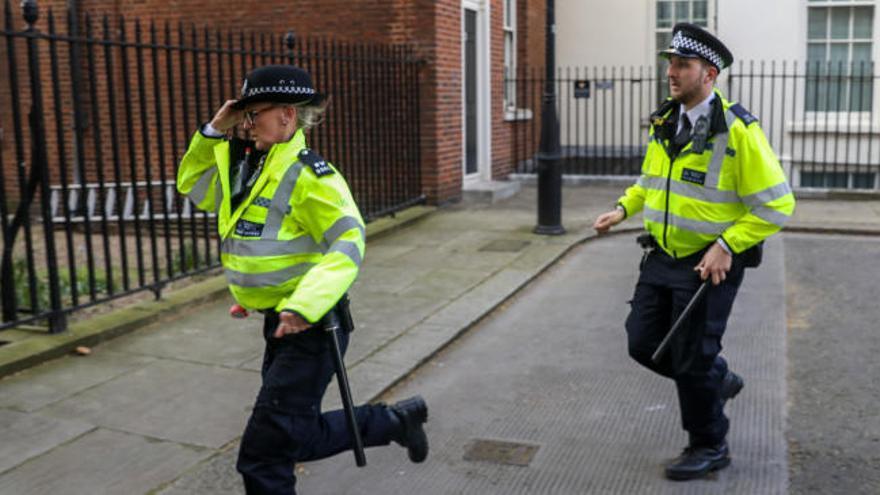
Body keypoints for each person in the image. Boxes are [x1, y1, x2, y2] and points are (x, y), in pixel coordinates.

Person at [177, 64, 429, 494]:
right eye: (245, 115)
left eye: (253, 114)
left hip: (312, 328)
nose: (247, 124)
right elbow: (194, 185)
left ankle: (389, 421)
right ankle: (391, 421)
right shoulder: (250, 170)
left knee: (262, 455)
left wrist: (302, 305)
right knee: (289, 435)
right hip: (280, 322)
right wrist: (213, 131)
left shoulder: (311, 176)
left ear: (287, 116)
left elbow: (349, 240)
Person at [592, 24, 795, 481]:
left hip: (708, 266)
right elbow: (651, 180)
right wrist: (623, 208)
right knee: (642, 342)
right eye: (670, 63)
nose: (671, 72)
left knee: (691, 357)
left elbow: (778, 203)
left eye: (682, 64)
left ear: (710, 74)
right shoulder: (665, 120)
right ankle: (715, 382)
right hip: (662, 256)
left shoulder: (737, 130)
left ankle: (710, 444)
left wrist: (727, 245)